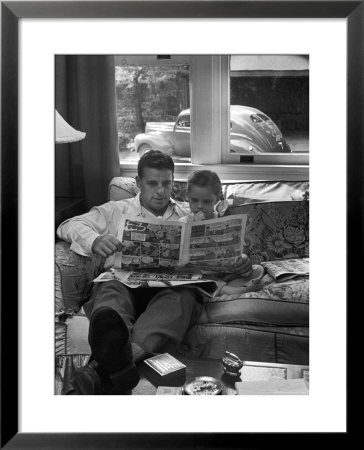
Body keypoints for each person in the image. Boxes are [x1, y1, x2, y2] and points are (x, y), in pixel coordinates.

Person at [57, 151, 254, 395]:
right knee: (109, 300)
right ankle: (115, 368)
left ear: (173, 181)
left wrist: (238, 261)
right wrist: (95, 239)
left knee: (182, 299)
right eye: (152, 183)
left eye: (166, 183)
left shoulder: (189, 213)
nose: (160, 191)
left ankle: (101, 371)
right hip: (122, 282)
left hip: (172, 289)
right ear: (138, 183)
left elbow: (220, 253)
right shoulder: (116, 210)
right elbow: (68, 225)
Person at [182, 169, 264, 296]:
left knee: (258, 269)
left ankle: (228, 288)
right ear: (187, 196)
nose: (199, 206)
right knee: (202, 278)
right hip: (202, 275)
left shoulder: (224, 221)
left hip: (225, 274)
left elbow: (239, 248)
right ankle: (237, 291)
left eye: (206, 201)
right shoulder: (184, 222)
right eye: (194, 200)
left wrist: (242, 260)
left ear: (216, 199)